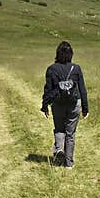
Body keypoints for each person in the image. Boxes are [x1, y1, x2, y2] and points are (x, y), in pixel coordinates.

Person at [40, 41, 89, 169]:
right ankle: (69, 164)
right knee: (70, 133)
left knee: (59, 129)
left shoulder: (51, 69)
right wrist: (85, 108)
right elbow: (82, 89)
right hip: (74, 103)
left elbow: (48, 89)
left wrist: (45, 106)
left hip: (58, 103)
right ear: (71, 54)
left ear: (57, 54)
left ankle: (59, 148)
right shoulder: (76, 68)